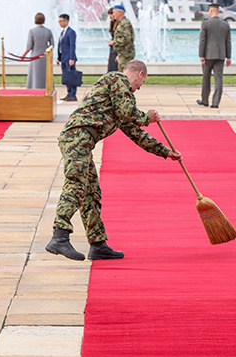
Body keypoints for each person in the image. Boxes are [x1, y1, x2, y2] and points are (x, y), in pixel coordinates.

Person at [46, 60, 183, 262]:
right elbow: (129, 113)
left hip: (83, 141)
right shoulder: (117, 79)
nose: (139, 88)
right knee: (76, 183)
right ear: (140, 74)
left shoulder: (121, 100)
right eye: (141, 83)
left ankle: (98, 244)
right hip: (77, 138)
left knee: (91, 192)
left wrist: (165, 152)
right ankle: (60, 236)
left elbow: (136, 133)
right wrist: (148, 117)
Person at [198, 4, 232, 109]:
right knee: (218, 79)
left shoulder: (205, 24)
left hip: (208, 55)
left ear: (211, 11)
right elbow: (228, 42)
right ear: (218, 11)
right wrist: (229, 57)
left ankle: (205, 100)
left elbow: (203, 41)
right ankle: (215, 102)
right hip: (220, 56)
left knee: (206, 78)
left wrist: (201, 55)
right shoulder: (225, 24)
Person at [21, 12, 54, 90]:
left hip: (35, 56)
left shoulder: (32, 31)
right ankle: (47, 88)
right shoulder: (48, 31)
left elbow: (29, 46)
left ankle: (34, 89)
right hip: (45, 56)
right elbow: (52, 45)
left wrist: (23, 55)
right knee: (46, 73)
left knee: (35, 74)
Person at [57, 13, 78, 102]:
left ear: (66, 21)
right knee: (66, 77)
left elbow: (72, 46)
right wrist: (59, 57)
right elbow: (61, 46)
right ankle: (69, 93)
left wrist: (72, 58)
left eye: (61, 21)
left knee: (71, 76)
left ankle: (73, 94)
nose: (60, 23)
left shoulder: (71, 32)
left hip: (69, 59)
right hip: (63, 58)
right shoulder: (63, 32)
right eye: (59, 21)